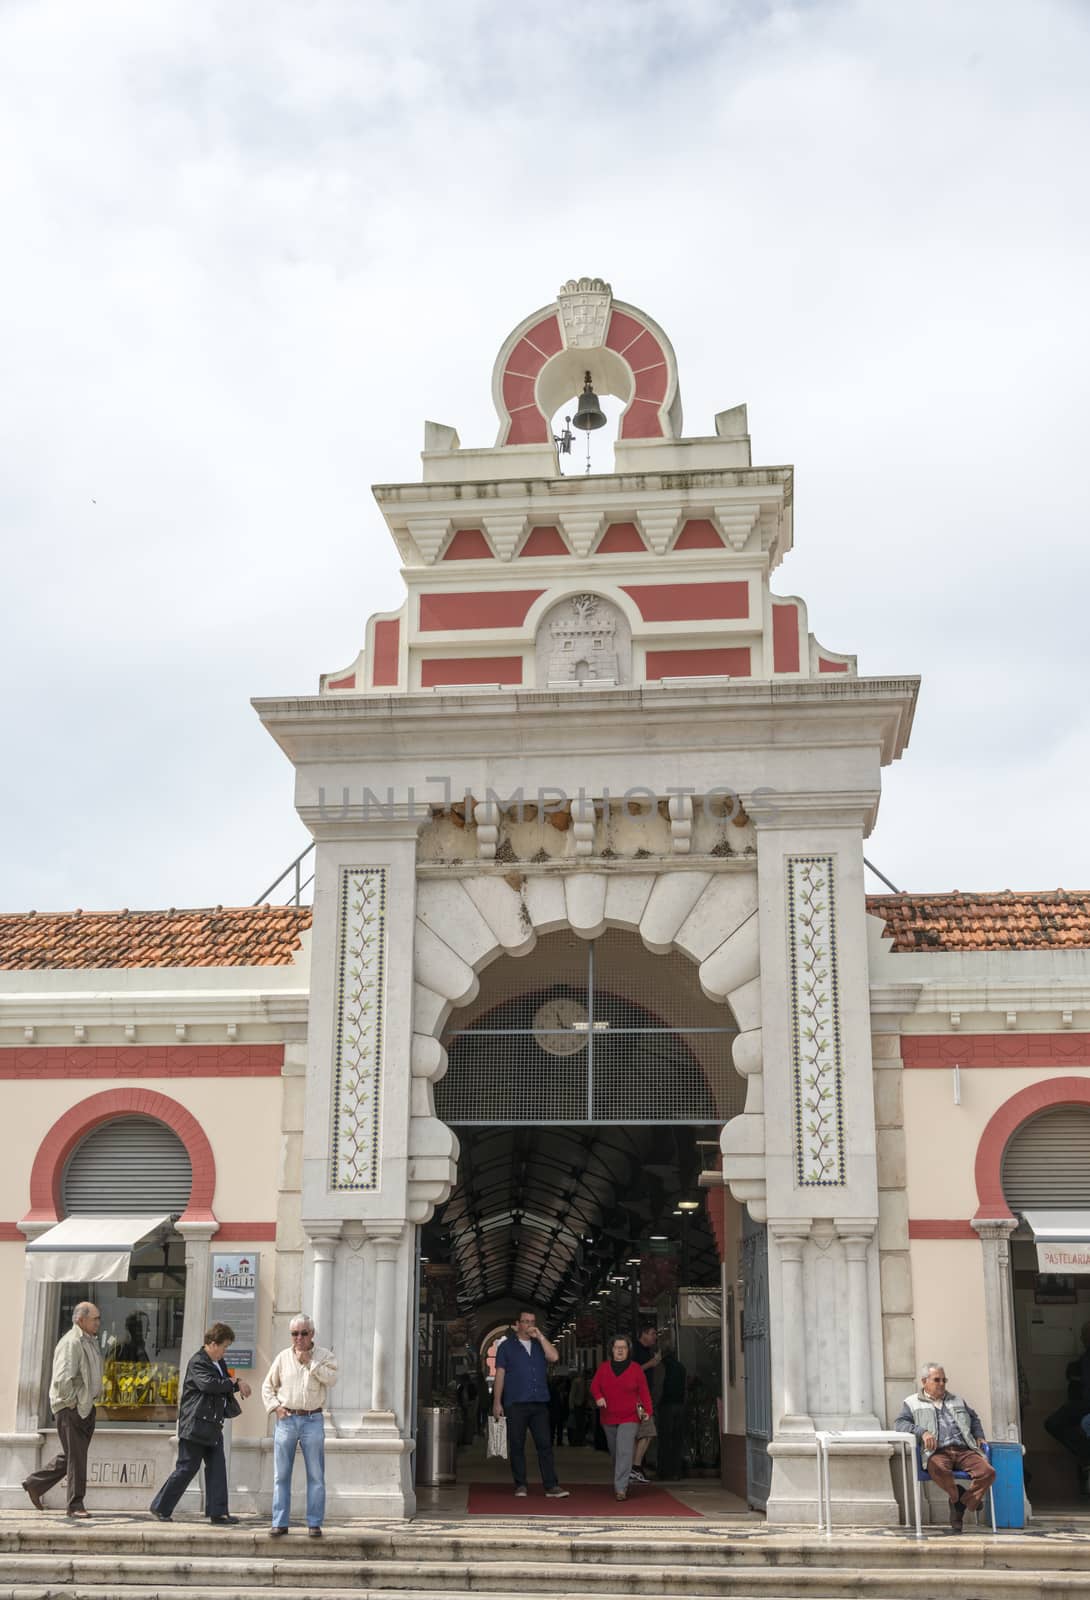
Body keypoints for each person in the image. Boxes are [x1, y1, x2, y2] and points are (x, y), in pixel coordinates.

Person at [149, 1322, 252, 1524]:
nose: (225, 1351)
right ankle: (160, 1506)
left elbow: (223, 1382)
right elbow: (208, 1384)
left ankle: (218, 1512)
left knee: (217, 1467)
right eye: (224, 1346)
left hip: (212, 1424)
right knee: (187, 1467)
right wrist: (233, 1383)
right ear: (213, 1344)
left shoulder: (218, 1363)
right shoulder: (198, 1361)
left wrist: (236, 1382)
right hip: (195, 1425)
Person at [23, 1301, 104, 1517]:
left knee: (73, 1455)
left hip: (85, 1407)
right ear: (81, 1319)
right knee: (76, 1457)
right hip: (73, 1409)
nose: (98, 1322)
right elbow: (62, 1379)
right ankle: (75, 1505)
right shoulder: (72, 1342)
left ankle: (35, 1484)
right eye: (95, 1318)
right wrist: (73, 1405)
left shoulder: (89, 1341)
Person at [261, 1314, 337, 1538]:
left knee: (316, 1474)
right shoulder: (283, 1357)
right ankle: (279, 1521)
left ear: (312, 1334)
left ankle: (314, 1523)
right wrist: (276, 1407)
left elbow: (332, 1379)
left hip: (313, 1419)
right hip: (287, 1420)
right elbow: (267, 1386)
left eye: (304, 1333)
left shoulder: (325, 1356)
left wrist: (310, 1364)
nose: (299, 1338)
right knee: (281, 1475)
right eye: (294, 1334)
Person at [895, 1363, 995, 1531]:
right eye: (937, 1380)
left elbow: (974, 1418)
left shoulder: (957, 1400)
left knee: (988, 1472)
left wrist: (979, 1435)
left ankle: (960, 1503)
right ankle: (959, 1497)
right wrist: (922, 1432)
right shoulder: (912, 1402)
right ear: (924, 1381)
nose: (941, 1384)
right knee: (937, 1468)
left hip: (964, 1449)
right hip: (937, 1451)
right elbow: (900, 1424)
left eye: (944, 1380)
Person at [491, 1309, 570, 1499]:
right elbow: (500, 1375)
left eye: (532, 1321)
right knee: (516, 1445)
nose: (529, 1324)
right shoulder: (506, 1347)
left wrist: (541, 1337)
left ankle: (551, 1486)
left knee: (545, 1445)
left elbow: (554, 1357)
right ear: (518, 1324)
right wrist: (497, 1402)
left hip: (539, 1403)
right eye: (525, 1321)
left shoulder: (539, 1345)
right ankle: (521, 1485)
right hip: (515, 1402)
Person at [590, 1336, 653, 1501]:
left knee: (624, 1450)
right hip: (608, 1417)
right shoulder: (604, 1368)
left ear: (628, 1350)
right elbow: (594, 1385)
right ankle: (622, 1477)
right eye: (617, 1347)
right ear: (612, 1349)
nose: (620, 1350)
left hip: (630, 1417)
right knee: (615, 1452)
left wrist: (648, 1411)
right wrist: (598, 1397)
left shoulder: (636, 1369)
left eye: (623, 1347)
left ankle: (621, 1488)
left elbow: (644, 1391)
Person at [1044, 1320, 1090, 1494]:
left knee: (1053, 1423)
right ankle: (1085, 1456)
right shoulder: (1084, 1358)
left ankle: (1085, 1456)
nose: (1081, 1338)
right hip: (1082, 1404)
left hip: (1084, 1404)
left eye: (1084, 1335)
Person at [629, 1325, 661, 1483]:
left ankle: (633, 1468)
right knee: (648, 1431)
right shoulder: (635, 1351)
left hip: (643, 1398)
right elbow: (632, 1373)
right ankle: (635, 1467)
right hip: (639, 1401)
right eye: (653, 1333)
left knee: (638, 1434)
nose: (655, 1336)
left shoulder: (646, 1351)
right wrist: (651, 1363)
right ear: (643, 1334)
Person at [655, 1341, 687, 1480]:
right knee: (677, 1440)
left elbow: (659, 1386)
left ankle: (664, 1471)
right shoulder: (681, 1367)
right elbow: (685, 1388)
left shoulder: (661, 1366)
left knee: (664, 1439)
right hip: (679, 1405)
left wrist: (655, 1403)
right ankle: (676, 1472)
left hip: (666, 1406)